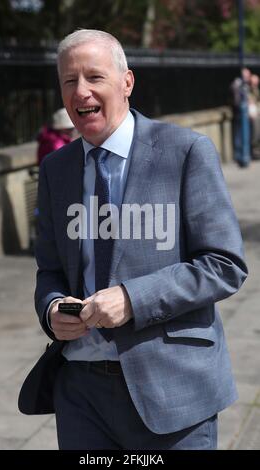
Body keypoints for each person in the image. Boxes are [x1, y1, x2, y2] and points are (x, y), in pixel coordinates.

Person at [19, 29, 248, 450]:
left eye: (94, 77)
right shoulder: (56, 169)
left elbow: (224, 264)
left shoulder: (186, 152)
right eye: (69, 81)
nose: (81, 91)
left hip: (172, 391)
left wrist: (132, 299)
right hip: (80, 394)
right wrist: (51, 308)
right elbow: (49, 269)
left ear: (127, 82)